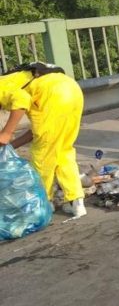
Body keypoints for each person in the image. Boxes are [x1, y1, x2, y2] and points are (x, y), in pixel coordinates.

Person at [0, 63, 86, 217]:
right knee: (63, 150)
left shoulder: (3, 86)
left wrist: (6, 133)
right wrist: (9, 146)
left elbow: (21, 99)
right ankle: (76, 201)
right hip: (72, 89)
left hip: (53, 94)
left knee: (42, 155)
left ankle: (43, 204)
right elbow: (36, 132)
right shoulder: (16, 80)